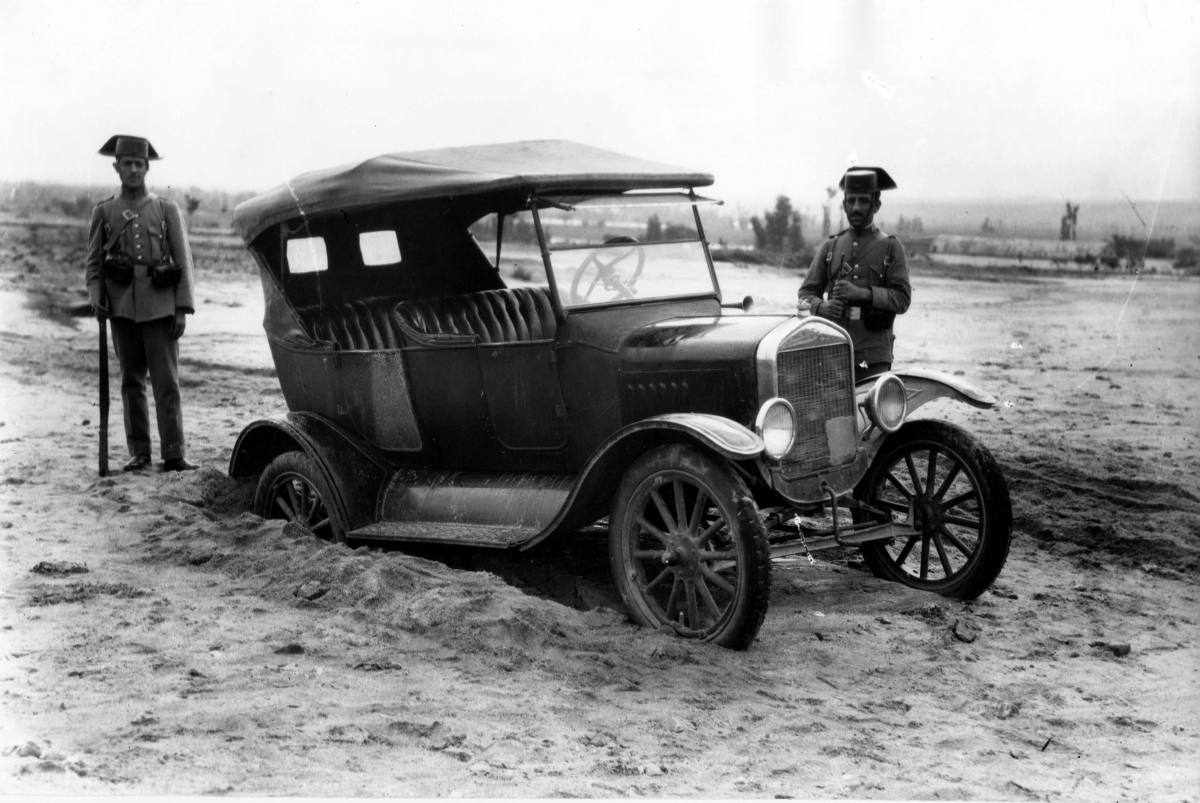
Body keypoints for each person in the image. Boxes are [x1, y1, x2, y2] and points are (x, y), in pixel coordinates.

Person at [85, 135, 198, 471]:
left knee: (166, 383)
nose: (133, 170)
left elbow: (183, 261)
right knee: (130, 382)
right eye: (127, 164)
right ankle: (139, 452)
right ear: (116, 167)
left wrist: (181, 308)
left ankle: (174, 453)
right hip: (121, 308)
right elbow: (93, 265)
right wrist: (97, 297)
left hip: (161, 306)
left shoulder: (166, 210)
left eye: (139, 164)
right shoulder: (104, 212)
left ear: (147, 168)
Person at [798, 166, 911, 382]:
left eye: (863, 201)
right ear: (844, 205)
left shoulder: (890, 248)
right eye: (851, 201)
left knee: (871, 412)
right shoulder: (830, 247)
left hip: (873, 357)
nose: (856, 208)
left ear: (876, 204)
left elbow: (903, 299)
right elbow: (805, 293)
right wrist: (822, 307)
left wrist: (864, 294)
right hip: (832, 351)